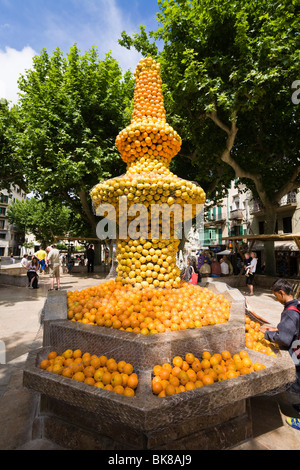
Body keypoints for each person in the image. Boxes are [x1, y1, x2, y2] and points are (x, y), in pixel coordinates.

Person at [260, 279, 300, 431]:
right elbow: (293, 328)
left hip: (297, 351)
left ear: (281, 293)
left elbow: (284, 339)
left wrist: (268, 335)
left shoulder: (290, 313)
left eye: (275, 295)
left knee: (296, 381)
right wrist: (277, 328)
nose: (276, 298)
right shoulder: (296, 305)